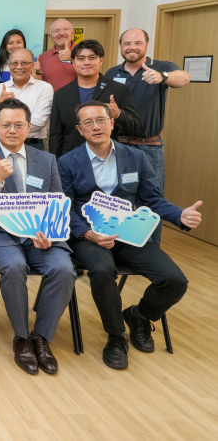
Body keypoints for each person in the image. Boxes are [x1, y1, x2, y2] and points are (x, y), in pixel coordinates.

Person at [59, 100, 202, 369]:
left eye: (101, 120)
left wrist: (179, 215)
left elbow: (153, 199)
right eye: (88, 122)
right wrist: (88, 234)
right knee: (102, 270)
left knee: (174, 280)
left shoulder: (136, 157)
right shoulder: (66, 162)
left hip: (128, 233)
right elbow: (64, 206)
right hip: (90, 236)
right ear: (79, 129)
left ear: (112, 122)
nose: (96, 126)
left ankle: (139, 316)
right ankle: (116, 336)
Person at [0, 98, 76, 375]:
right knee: (15, 266)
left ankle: (41, 337)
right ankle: (21, 338)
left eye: (19, 125)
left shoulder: (47, 159)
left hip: (40, 235)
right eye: (6, 125)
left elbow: (57, 201)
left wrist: (51, 232)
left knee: (64, 269)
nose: (12, 130)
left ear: (29, 127)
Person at [104, 28, 190, 192]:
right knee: (119, 198)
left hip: (149, 147)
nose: (132, 47)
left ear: (147, 44)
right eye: (127, 43)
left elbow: (184, 78)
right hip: (117, 146)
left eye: (138, 43)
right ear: (120, 45)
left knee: (152, 198)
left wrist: (162, 77)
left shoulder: (160, 67)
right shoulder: (112, 73)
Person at [49, 40, 140, 158]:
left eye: (92, 58)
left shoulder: (118, 90)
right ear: (73, 62)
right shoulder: (61, 94)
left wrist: (118, 114)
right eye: (81, 58)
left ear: (101, 60)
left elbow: (136, 128)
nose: (86, 62)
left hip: (107, 157)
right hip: (71, 159)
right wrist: (55, 163)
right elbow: (56, 135)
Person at [0, 49, 54, 150]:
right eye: (14, 63)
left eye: (24, 63)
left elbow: (40, 121)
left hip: (32, 145)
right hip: (2, 144)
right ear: (9, 66)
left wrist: (7, 126)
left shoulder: (44, 88)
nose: (19, 67)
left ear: (32, 65)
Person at [36, 18, 77, 91]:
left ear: (72, 33)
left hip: (79, 98)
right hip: (51, 98)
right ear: (50, 36)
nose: (61, 33)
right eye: (56, 31)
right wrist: (38, 72)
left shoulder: (84, 53)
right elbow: (39, 84)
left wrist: (73, 58)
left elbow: (93, 74)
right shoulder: (43, 57)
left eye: (66, 29)